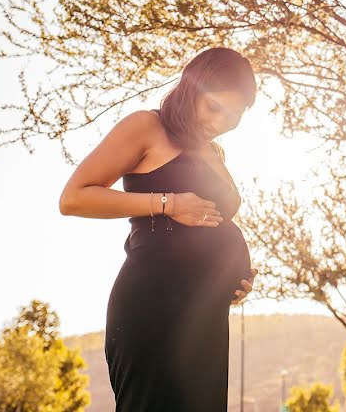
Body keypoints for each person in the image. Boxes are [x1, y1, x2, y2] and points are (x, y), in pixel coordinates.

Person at [58, 47, 259, 411]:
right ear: (190, 89)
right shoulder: (147, 127)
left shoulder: (214, 153)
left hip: (205, 316)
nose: (220, 123)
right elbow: (73, 198)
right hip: (155, 307)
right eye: (214, 107)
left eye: (234, 116)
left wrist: (231, 279)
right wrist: (168, 203)